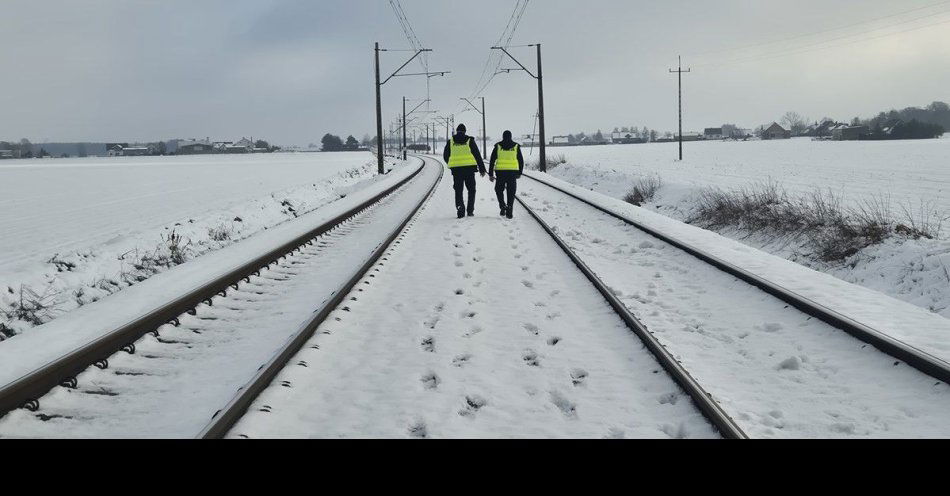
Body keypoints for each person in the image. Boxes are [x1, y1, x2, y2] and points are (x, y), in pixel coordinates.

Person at [443, 124, 487, 218]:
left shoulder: (451, 141)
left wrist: (452, 164)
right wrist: (482, 169)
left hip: (457, 171)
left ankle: (460, 209)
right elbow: (477, 155)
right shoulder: (469, 141)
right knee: (471, 190)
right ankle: (470, 210)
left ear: (457, 131)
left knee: (458, 191)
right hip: (469, 171)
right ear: (465, 131)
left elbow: (445, 156)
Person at [488, 130, 525, 219]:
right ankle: (509, 211)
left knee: (498, 190)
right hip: (512, 173)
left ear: (503, 136)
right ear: (511, 136)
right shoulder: (516, 146)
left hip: (500, 173)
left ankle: (502, 205)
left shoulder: (498, 146)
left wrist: (491, 174)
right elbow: (521, 160)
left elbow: (492, 160)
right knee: (511, 192)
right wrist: (520, 172)